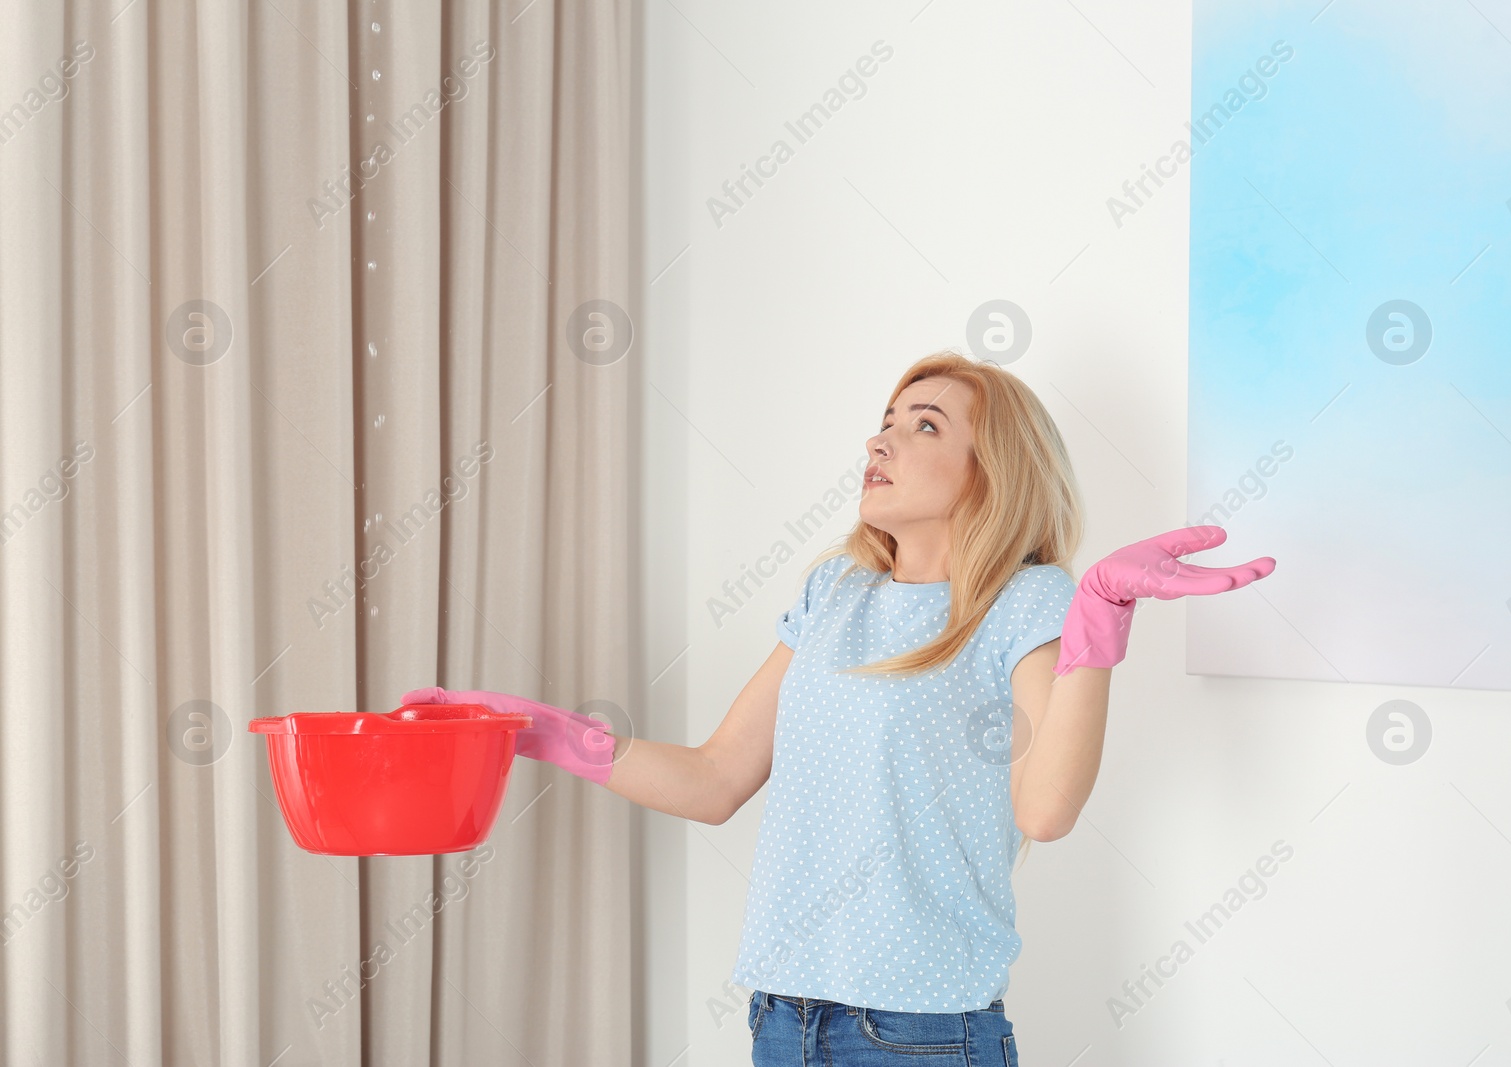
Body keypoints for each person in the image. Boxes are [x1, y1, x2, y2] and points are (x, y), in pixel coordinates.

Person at [405, 350, 1275, 1066]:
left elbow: (1045, 809)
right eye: (886, 421)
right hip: (783, 1020)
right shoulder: (836, 591)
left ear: (993, 469)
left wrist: (1096, 630)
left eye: (923, 425)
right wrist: (538, 729)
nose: (882, 438)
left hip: (921, 1034)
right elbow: (714, 778)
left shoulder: (1025, 601)